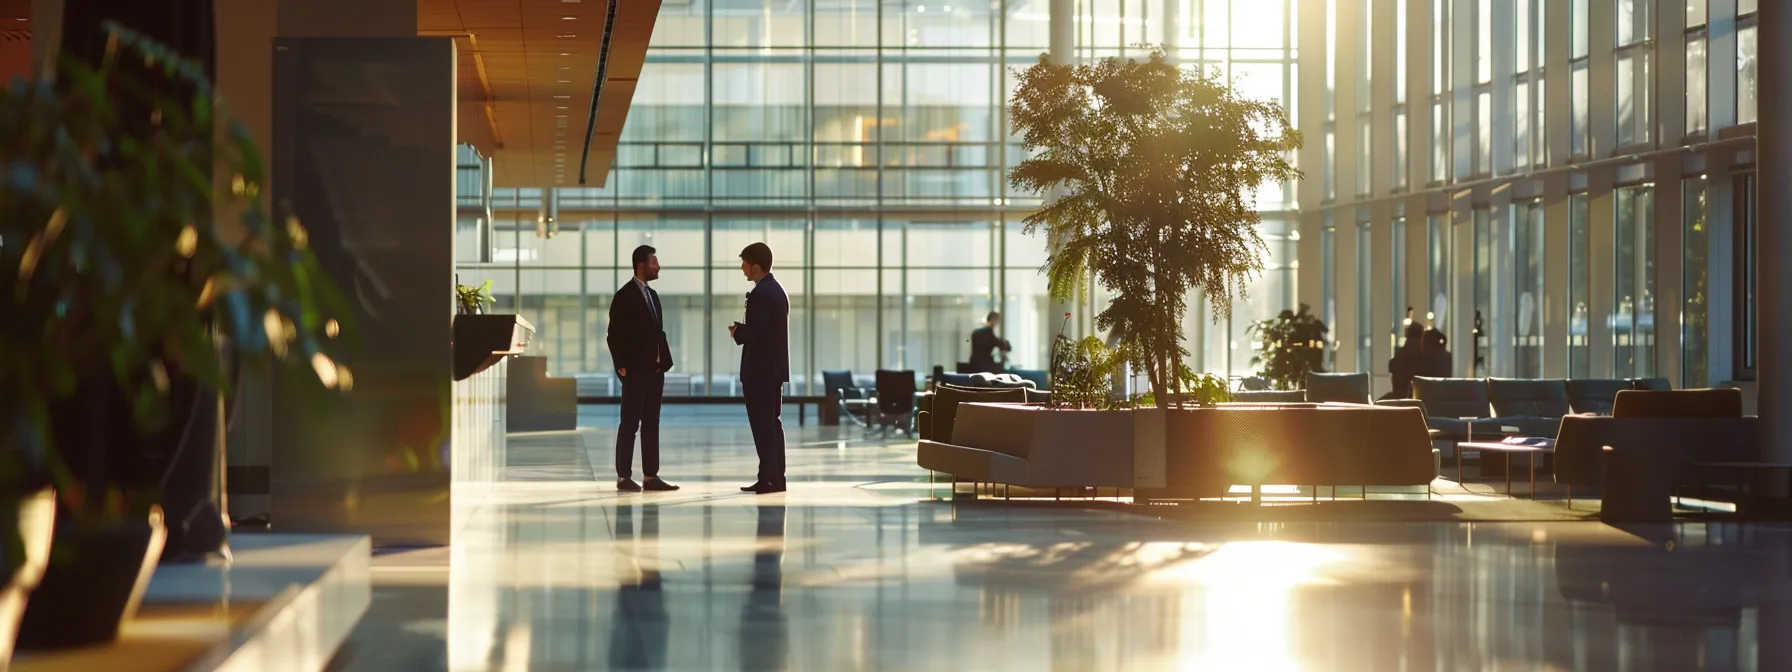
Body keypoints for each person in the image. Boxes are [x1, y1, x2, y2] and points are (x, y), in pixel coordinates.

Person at [606, 245, 679, 492]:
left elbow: (657, 332)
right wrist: (621, 366)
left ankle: (651, 477)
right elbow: (614, 335)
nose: (658, 267)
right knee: (630, 423)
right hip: (635, 371)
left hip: (655, 371)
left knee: (651, 422)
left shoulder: (654, 296)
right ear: (641, 265)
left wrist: (663, 362)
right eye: (654, 263)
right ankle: (623, 477)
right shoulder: (624, 295)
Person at [730, 242, 790, 495]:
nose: (742, 267)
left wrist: (738, 332)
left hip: (759, 371)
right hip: (772, 370)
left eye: (744, 263)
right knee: (771, 424)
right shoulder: (776, 290)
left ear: (755, 267)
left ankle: (769, 479)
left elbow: (758, 333)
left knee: (763, 425)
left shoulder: (761, 294)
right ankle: (773, 476)